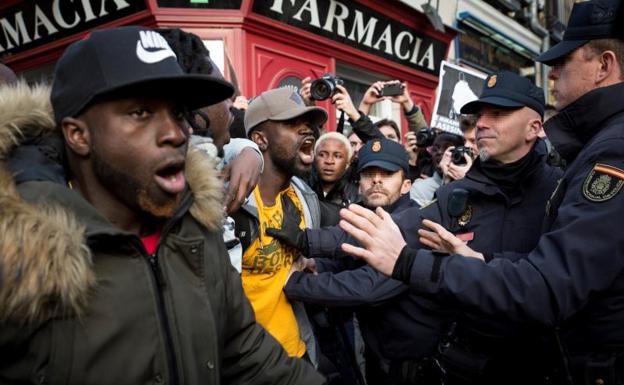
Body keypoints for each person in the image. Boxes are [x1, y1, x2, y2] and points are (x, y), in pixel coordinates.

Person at [0, 26, 324, 384]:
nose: (175, 133)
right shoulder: (20, 256)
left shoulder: (196, 229)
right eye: (140, 112)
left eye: (178, 112)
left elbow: (246, 353)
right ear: (79, 134)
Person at [339, 1, 624, 383]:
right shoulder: (595, 145)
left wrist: (407, 262)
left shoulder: (610, 150)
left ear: (604, 65)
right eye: (479, 117)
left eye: (563, 62)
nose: (552, 74)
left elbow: (546, 287)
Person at [278, 71, 562, 384]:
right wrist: (304, 241)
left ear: (535, 127)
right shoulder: (457, 194)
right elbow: (390, 232)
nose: (482, 123)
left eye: (498, 114)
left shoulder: (561, 192)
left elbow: (559, 279)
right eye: (480, 114)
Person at [273, 138, 415, 384]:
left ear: (406, 185)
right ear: (359, 184)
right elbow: (351, 255)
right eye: (369, 174)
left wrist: (295, 283)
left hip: (409, 361)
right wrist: (318, 265)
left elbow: (367, 285)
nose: (377, 180)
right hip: (376, 349)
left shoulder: (413, 221)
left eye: (387, 174)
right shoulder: (363, 213)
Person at [234, 86, 327, 365]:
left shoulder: (304, 198)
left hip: (298, 352)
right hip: (248, 364)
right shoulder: (233, 203)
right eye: (291, 124)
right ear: (260, 139)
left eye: (309, 125)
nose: (307, 131)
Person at [409, 132, 465, 206]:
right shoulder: (420, 188)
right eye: (435, 149)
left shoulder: (472, 184)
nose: (439, 152)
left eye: (448, 149)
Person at [310, 132, 358, 208]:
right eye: (322, 155)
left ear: (348, 163)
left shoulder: (356, 198)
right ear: (314, 158)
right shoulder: (300, 189)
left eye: (337, 156)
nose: (329, 161)